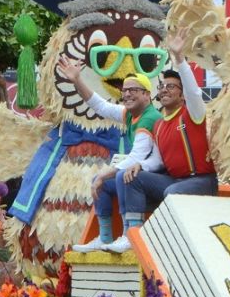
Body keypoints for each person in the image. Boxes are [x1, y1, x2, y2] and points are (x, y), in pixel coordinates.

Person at [114, 28, 218, 253]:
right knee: (131, 177)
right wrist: (140, 165)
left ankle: (178, 246)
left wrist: (179, 58)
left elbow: (195, 93)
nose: (165, 89)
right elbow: (158, 160)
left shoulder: (193, 113)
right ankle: (132, 236)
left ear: (182, 95)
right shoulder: (159, 124)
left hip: (202, 180)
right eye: (162, 86)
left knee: (172, 194)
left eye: (171, 86)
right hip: (173, 180)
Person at [58, 56, 163, 253]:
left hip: (156, 176)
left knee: (125, 175)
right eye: (125, 90)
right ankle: (105, 237)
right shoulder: (132, 114)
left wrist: (104, 174)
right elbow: (101, 106)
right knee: (105, 184)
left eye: (133, 90)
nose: (128, 94)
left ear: (147, 95)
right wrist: (77, 80)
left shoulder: (150, 118)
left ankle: (130, 235)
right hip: (140, 172)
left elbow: (137, 158)